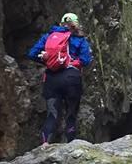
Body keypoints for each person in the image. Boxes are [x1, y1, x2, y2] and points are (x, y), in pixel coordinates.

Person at [27, 13, 93, 146]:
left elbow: (32, 53)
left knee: (52, 114)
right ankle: (71, 145)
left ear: (61, 23)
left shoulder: (49, 36)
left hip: (51, 78)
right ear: (76, 24)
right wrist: (73, 62)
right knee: (71, 114)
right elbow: (86, 60)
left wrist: (45, 60)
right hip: (71, 78)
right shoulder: (79, 39)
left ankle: (45, 145)